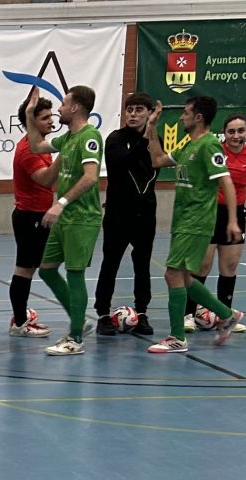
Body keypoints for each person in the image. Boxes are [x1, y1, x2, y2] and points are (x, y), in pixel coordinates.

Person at [142, 95, 246, 354]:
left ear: (198, 117)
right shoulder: (189, 145)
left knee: (172, 274)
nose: (181, 117)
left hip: (197, 221)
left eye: (186, 113)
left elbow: (226, 181)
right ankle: (227, 315)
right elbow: (157, 160)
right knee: (185, 277)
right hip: (182, 220)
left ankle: (177, 337)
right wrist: (152, 127)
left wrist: (233, 220)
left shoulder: (209, 146)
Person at [21, 86, 104, 356]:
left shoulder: (89, 136)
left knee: (75, 273)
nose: (59, 109)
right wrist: (29, 114)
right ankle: (78, 319)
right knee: (46, 269)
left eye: (64, 104)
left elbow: (90, 177)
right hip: (65, 218)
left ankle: (76, 337)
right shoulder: (68, 138)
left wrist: (61, 202)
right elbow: (37, 146)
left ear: (76, 108)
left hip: (82, 217)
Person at [95, 93, 162, 336]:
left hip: (145, 214)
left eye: (139, 109)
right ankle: (103, 314)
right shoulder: (115, 139)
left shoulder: (155, 140)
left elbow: (156, 166)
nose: (133, 114)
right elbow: (122, 164)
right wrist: (145, 137)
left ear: (149, 113)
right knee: (110, 263)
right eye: (129, 109)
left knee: (142, 265)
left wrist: (151, 134)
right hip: (118, 215)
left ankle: (142, 312)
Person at [193, 111, 246, 334]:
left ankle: (226, 316)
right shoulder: (215, 151)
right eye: (231, 131)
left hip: (235, 215)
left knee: (230, 265)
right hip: (209, 213)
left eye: (241, 131)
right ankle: (188, 314)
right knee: (202, 265)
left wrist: (235, 204)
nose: (236, 135)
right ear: (223, 133)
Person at [8, 95, 57, 338]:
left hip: (39, 215)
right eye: (45, 117)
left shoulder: (41, 145)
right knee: (24, 269)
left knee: (34, 268)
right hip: (30, 218)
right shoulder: (29, 150)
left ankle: (19, 317)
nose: (51, 121)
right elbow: (46, 179)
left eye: (51, 116)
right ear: (32, 120)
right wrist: (67, 153)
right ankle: (19, 322)